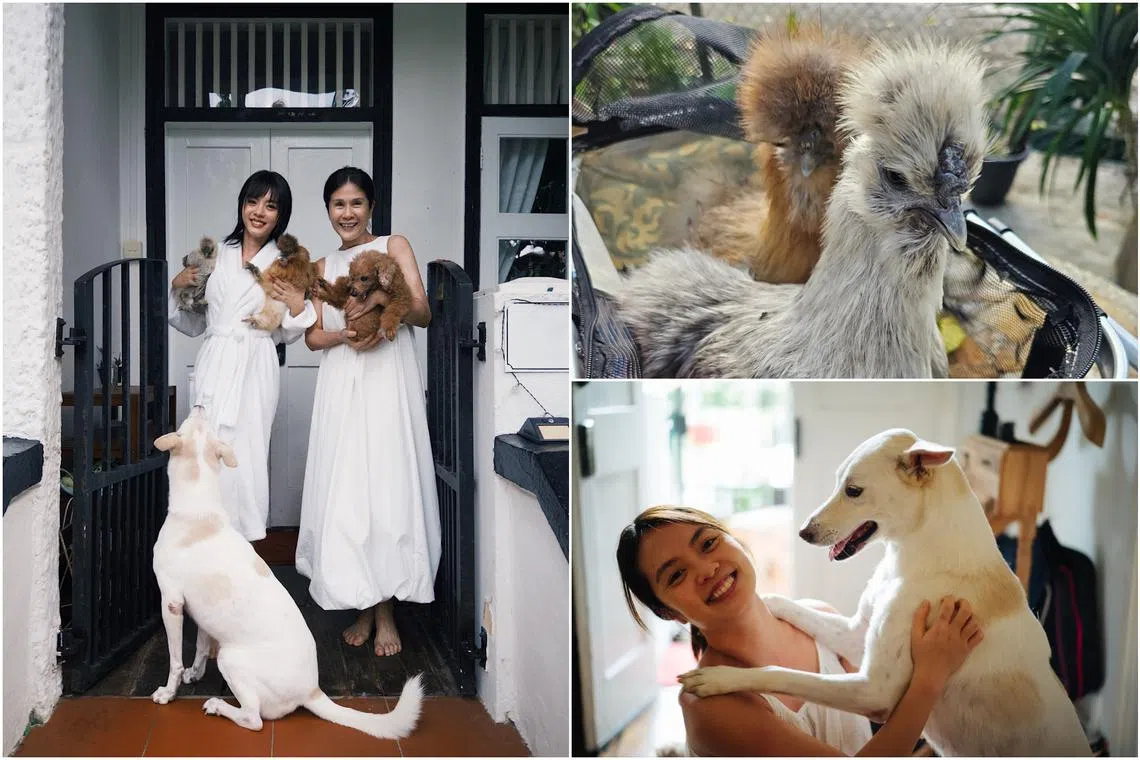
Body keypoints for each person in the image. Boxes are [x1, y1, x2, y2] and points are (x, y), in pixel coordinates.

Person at [617, 506, 984, 756]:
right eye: (677, 575)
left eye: (709, 543)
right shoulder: (709, 706)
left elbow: (881, 712)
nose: (706, 569)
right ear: (668, 612)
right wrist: (930, 677)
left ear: (735, 540)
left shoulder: (819, 619)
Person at [295, 166, 441, 657]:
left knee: (386, 486)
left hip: (387, 382)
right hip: (343, 382)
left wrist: (380, 303)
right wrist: (346, 334)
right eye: (338, 204)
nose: (348, 213)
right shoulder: (321, 266)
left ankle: (385, 611)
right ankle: (361, 601)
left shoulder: (394, 246)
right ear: (328, 210)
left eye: (356, 202)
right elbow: (313, 338)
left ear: (371, 207)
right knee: (350, 490)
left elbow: (422, 311)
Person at [168, 170, 315, 541]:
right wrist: (176, 286)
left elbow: (288, 330)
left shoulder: (285, 263)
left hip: (255, 363)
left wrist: (298, 303)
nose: (259, 212)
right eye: (253, 202)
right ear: (242, 205)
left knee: (246, 453)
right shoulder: (215, 255)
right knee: (201, 448)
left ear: (281, 215)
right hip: (215, 358)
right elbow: (193, 322)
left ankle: (242, 540)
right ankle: (202, 538)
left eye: (271, 206)